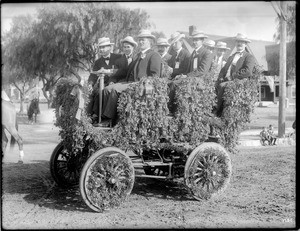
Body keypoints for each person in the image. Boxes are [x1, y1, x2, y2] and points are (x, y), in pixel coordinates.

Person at [101, 30, 162, 126]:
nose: (141, 42)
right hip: (129, 82)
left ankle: (109, 120)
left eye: (143, 40)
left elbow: (155, 75)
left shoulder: (154, 55)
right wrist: (111, 74)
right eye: (140, 40)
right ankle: (102, 117)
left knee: (115, 90)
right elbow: (127, 71)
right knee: (107, 89)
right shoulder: (138, 55)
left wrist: (143, 82)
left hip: (141, 84)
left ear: (150, 42)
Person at [215, 33, 256, 116]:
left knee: (222, 86)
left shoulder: (249, 57)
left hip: (238, 80)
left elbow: (247, 71)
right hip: (226, 79)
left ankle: (217, 111)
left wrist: (232, 77)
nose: (239, 43)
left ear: (245, 44)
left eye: (242, 42)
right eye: (238, 41)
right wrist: (220, 77)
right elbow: (224, 69)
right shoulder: (232, 56)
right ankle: (211, 107)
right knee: (214, 85)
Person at [101, 36, 138, 125]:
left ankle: (111, 119)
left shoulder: (137, 58)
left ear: (133, 47)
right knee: (106, 89)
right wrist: (112, 81)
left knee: (114, 90)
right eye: (124, 47)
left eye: (128, 47)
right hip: (120, 81)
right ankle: (105, 118)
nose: (126, 49)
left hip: (131, 81)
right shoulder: (119, 60)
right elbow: (115, 74)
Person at [86, 37, 122, 122]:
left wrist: (113, 80)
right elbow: (92, 76)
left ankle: (101, 117)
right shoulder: (97, 62)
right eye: (100, 48)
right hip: (103, 84)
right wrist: (90, 84)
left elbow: (122, 72)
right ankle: (92, 115)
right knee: (95, 93)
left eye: (104, 47)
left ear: (110, 47)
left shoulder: (119, 57)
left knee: (102, 92)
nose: (102, 49)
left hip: (116, 83)